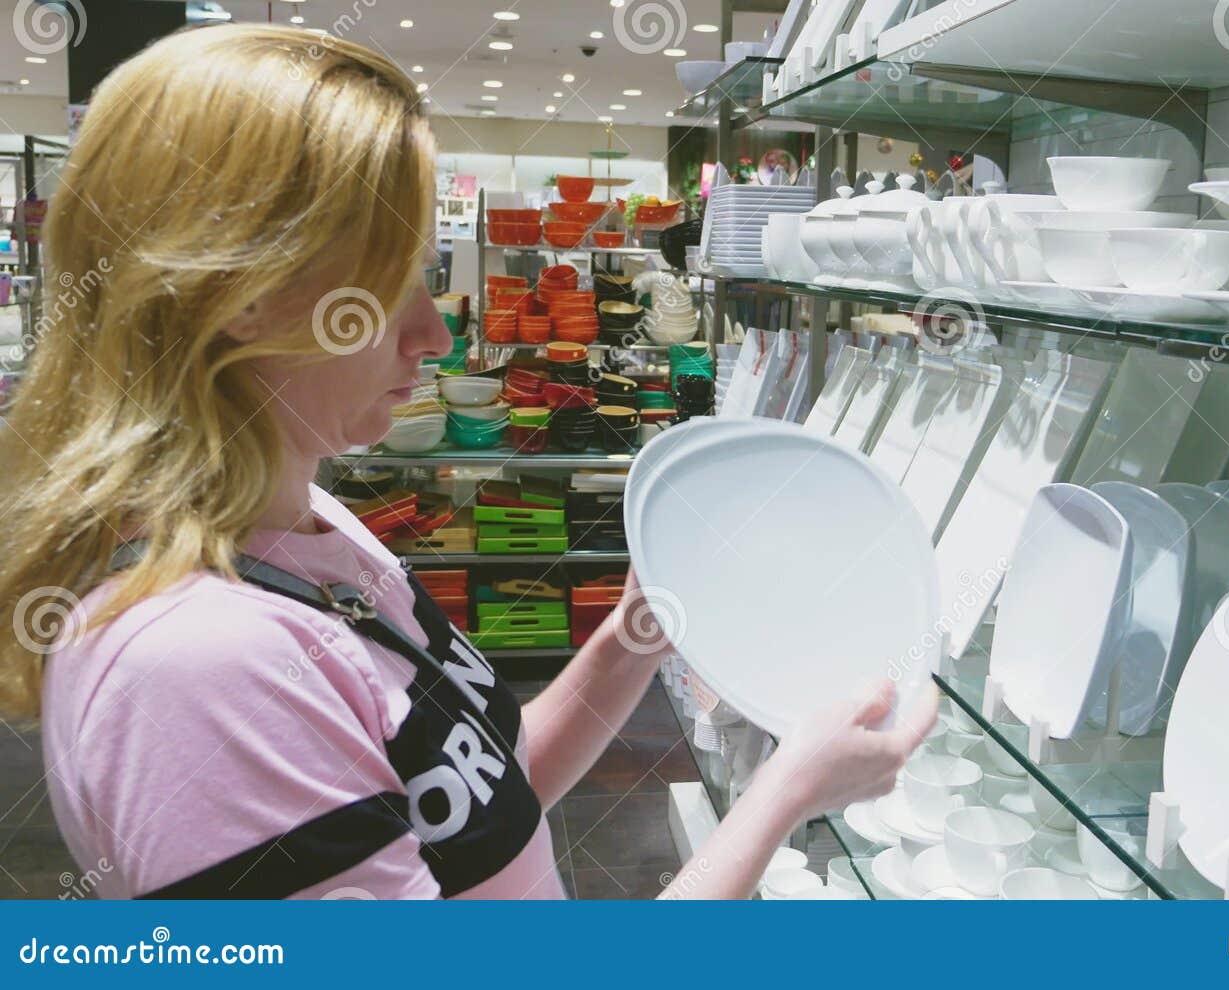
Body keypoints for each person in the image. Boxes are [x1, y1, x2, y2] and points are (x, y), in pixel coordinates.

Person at [0, 24, 934, 899]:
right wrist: (784, 793)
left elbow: (483, 793)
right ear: (238, 294)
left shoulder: (315, 531)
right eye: (393, 282)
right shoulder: (196, 671)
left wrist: (634, 636)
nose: (432, 337)